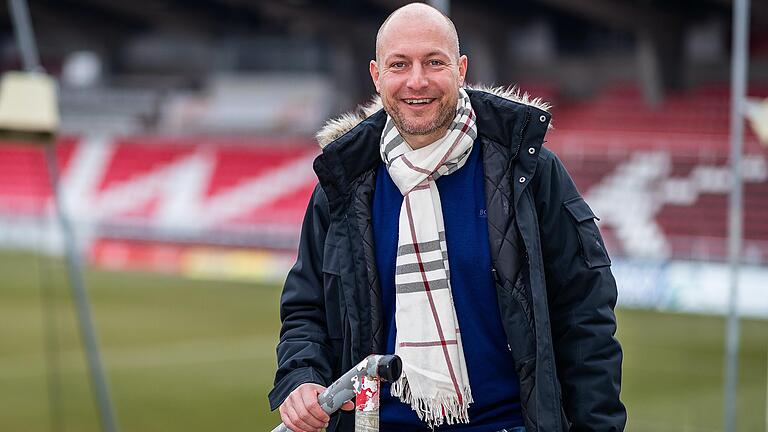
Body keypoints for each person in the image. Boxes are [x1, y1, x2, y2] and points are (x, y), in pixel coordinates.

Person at [269, 3, 626, 432]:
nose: (416, 81)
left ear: (460, 69)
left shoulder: (527, 171)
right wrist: (302, 376)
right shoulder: (342, 184)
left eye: (433, 62)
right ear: (376, 76)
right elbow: (305, 310)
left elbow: (585, 316)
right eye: (399, 64)